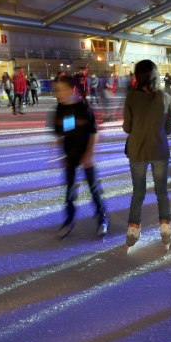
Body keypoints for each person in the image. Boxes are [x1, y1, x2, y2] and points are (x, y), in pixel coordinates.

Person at [122, 60, 171, 249]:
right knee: (162, 191)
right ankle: (166, 228)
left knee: (138, 191)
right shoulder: (166, 98)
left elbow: (127, 127)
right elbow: (168, 129)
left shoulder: (131, 97)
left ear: (137, 76)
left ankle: (133, 229)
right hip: (159, 149)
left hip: (137, 150)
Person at [52, 74, 108, 238]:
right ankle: (69, 218)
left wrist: (89, 154)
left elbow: (94, 133)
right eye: (57, 90)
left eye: (61, 90)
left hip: (86, 155)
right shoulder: (60, 108)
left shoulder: (83, 108)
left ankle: (102, 217)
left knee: (93, 188)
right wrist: (58, 152)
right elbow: (61, 133)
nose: (58, 94)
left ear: (72, 90)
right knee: (69, 189)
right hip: (70, 155)